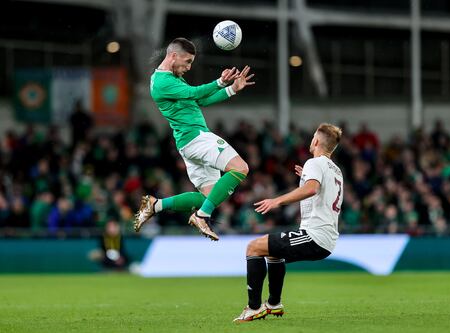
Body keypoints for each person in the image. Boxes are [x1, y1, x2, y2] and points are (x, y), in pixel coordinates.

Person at [134, 38, 255, 241]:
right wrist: (220, 82)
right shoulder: (162, 82)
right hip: (197, 138)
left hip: (188, 143)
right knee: (241, 168)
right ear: (173, 56)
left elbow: (200, 99)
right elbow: (193, 92)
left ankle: (156, 205)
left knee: (211, 197)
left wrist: (231, 89)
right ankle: (201, 216)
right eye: (188, 61)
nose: (189, 67)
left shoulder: (171, 78)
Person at [233, 123, 344, 322]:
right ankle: (274, 304)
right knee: (273, 253)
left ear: (316, 141)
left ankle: (253, 307)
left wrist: (277, 200)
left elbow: (311, 189)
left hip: (315, 236)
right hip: (326, 237)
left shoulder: (314, 163)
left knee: (253, 248)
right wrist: (307, 176)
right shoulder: (335, 171)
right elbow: (320, 189)